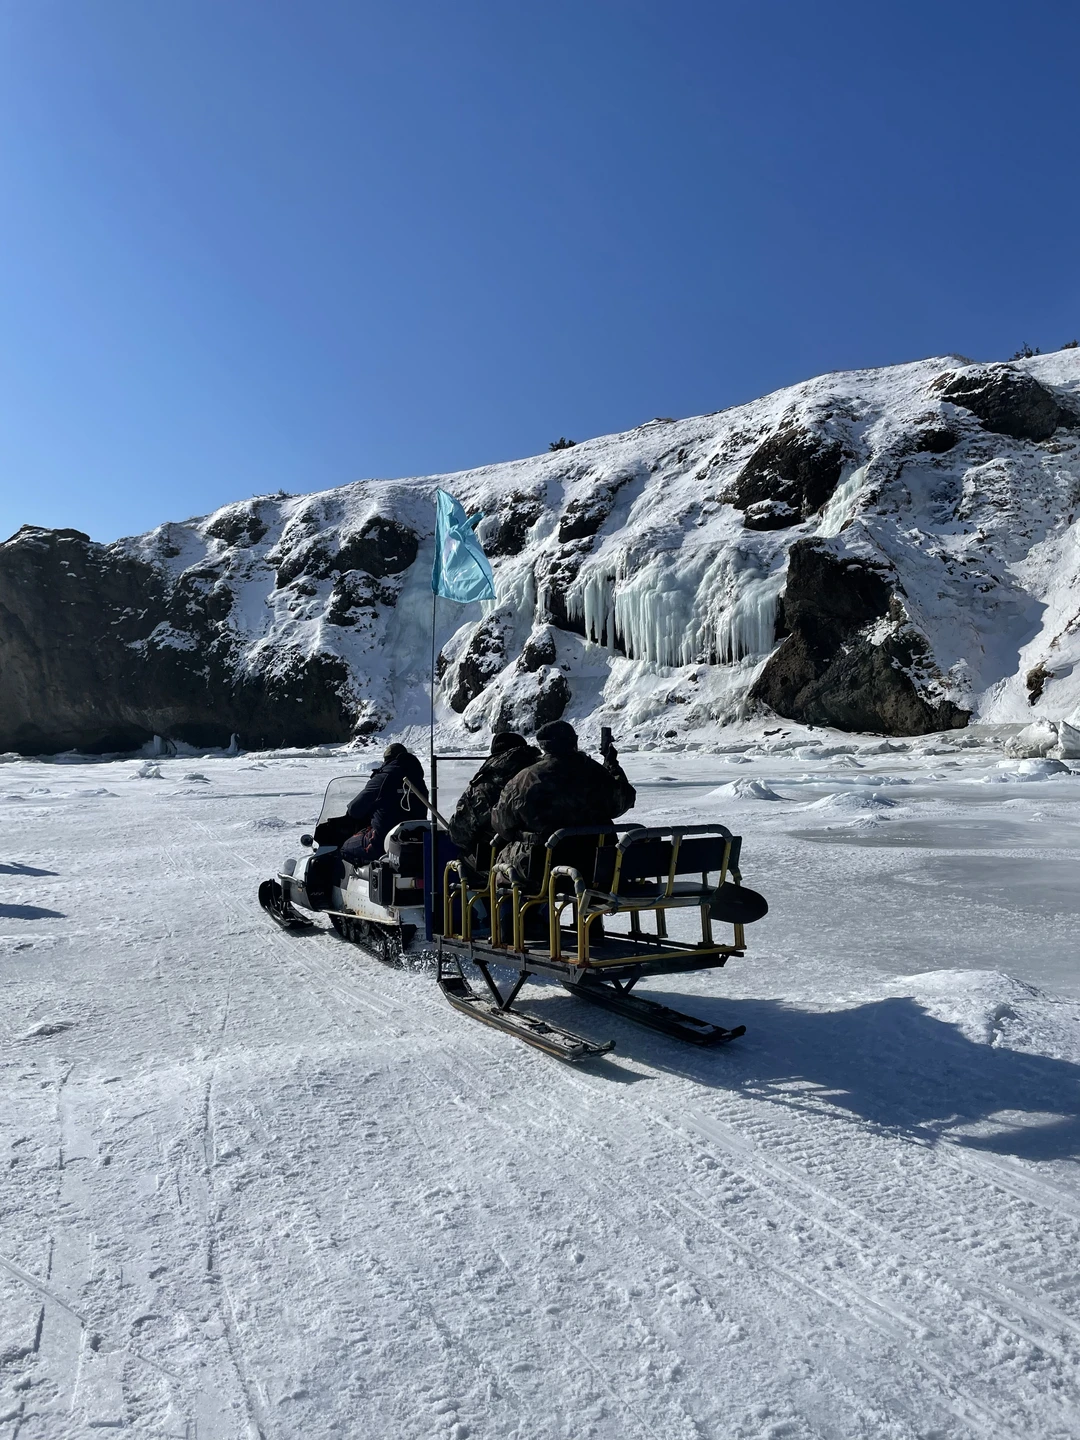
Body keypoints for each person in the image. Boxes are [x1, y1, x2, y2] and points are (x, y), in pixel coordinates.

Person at [491, 721, 635, 889]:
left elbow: (501, 823)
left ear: (543, 746)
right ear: (574, 741)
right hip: (596, 868)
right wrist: (613, 766)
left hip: (543, 872)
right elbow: (623, 801)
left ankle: (520, 915)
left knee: (500, 862)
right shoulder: (596, 772)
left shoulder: (525, 778)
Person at [448, 732, 540, 877]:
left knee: (464, 863)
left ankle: (483, 899)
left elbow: (459, 832)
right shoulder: (540, 773)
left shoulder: (485, 783)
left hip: (509, 860)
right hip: (555, 855)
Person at [339, 743, 428, 868]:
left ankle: (365, 877)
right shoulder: (419, 780)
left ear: (386, 760)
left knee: (345, 847)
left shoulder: (383, 778)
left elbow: (354, 810)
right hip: (416, 842)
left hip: (381, 843)